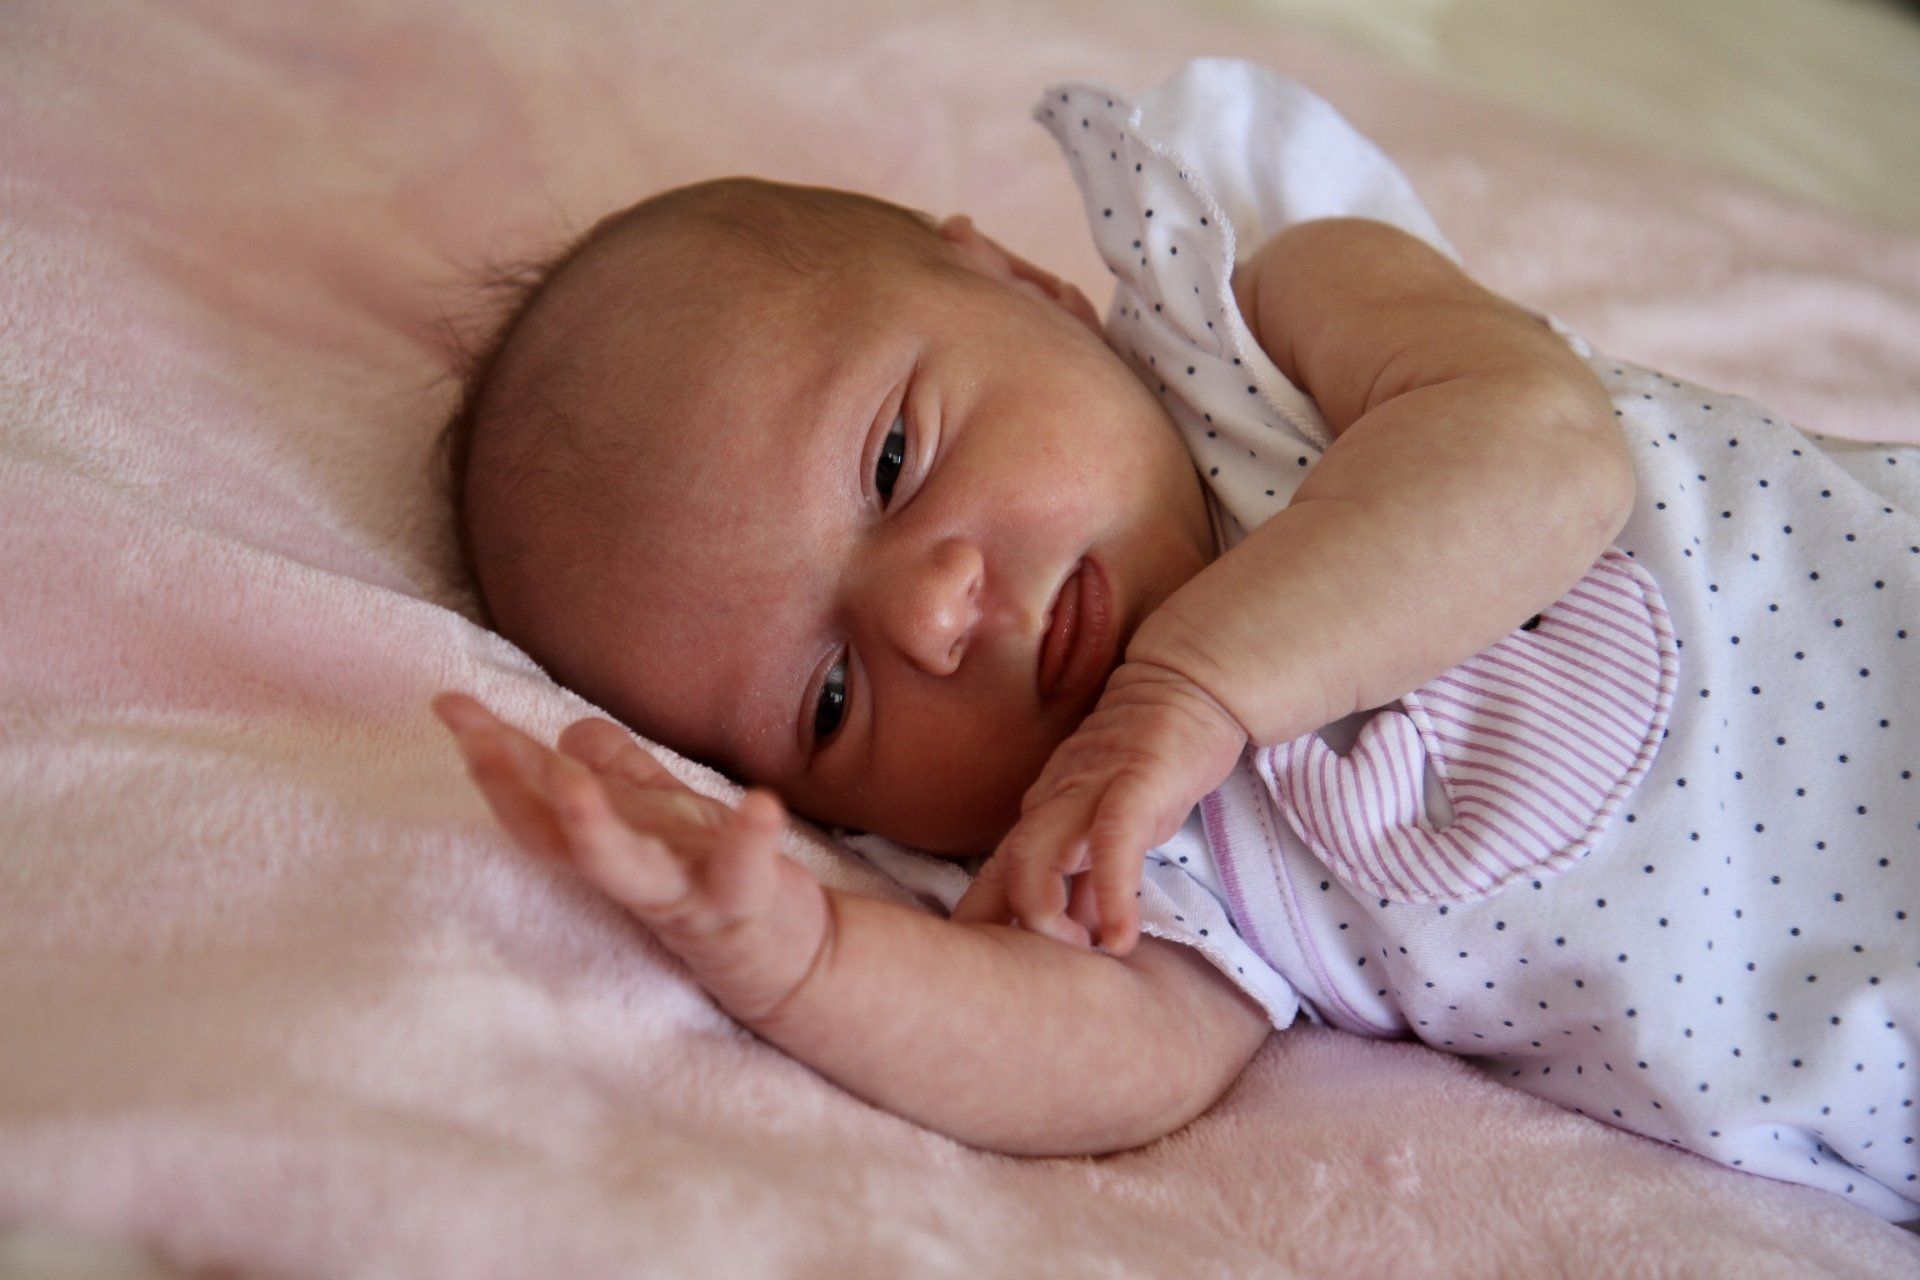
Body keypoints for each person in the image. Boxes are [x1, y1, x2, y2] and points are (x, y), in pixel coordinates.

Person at [431, 61, 1919, 1218]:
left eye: (895, 461)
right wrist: (804, 960)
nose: (929, 617)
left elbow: (1545, 458)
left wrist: (1197, 685)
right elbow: (1105, 1063)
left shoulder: (1266, 336)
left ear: (1021, 284)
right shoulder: (1118, 852)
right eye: (827, 701)